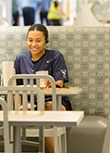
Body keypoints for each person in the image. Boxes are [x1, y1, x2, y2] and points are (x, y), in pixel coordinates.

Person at [13, 23, 72, 153]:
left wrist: (53, 84)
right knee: (36, 113)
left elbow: (60, 82)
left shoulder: (55, 57)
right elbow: (15, 87)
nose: (33, 44)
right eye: (30, 40)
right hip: (31, 104)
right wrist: (20, 106)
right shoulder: (21, 58)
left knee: (44, 112)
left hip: (55, 102)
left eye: (38, 41)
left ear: (46, 41)